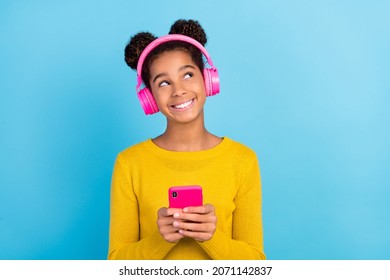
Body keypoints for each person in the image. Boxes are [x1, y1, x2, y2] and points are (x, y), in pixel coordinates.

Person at [108, 19, 266, 260]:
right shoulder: (129, 163)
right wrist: (160, 239)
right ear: (149, 97)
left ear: (207, 79)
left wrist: (212, 238)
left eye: (188, 75)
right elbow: (116, 265)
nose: (178, 90)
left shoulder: (243, 160)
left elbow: (255, 265)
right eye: (163, 82)